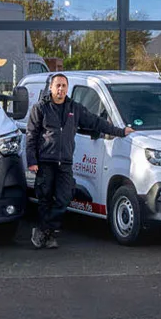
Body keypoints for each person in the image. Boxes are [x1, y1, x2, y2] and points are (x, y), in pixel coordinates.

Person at [25, 73, 131, 250]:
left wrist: (120, 131)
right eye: (57, 86)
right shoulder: (40, 108)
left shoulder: (74, 108)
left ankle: (43, 230)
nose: (60, 89)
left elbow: (96, 122)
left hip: (64, 162)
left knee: (65, 197)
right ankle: (49, 237)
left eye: (64, 86)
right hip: (45, 161)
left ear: (67, 88)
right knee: (45, 200)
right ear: (51, 88)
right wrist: (32, 160)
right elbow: (31, 136)